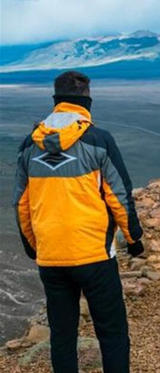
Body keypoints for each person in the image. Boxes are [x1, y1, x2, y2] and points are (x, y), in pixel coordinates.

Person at [12, 71, 144, 373]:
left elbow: (21, 205)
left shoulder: (29, 146)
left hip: (51, 257)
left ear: (56, 101)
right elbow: (119, 196)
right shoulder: (99, 141)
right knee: (112, 333)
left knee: (62, 336)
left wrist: (35, 247)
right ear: (88, 101)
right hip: (94, 257)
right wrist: (133, 239)